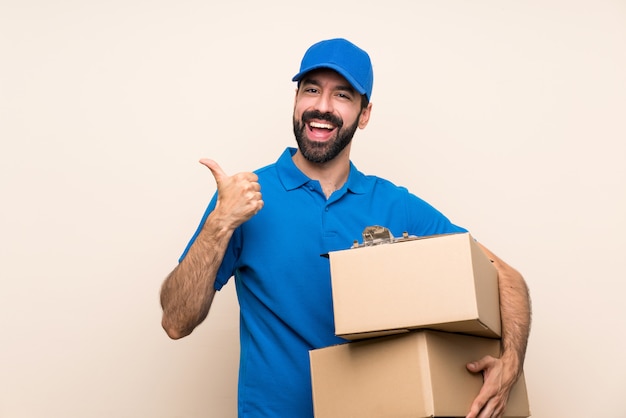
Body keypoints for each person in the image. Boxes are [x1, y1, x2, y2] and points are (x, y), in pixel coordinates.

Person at [160, 38, 531, 418]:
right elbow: (175, 321)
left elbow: (507, 278)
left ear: (364, 113)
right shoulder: (245, 197)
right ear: (295, 100)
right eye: (311, 90)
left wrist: (511, 362)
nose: (322, 106)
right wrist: (218, 225)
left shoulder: (394, 204)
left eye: (342, 95)